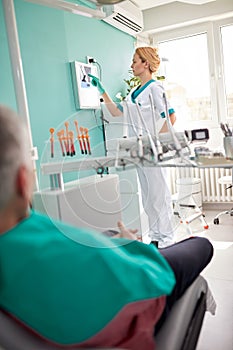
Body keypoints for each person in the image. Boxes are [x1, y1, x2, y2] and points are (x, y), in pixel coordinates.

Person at [0, 104, 213, 350]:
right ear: (22, 180)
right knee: (200, 244)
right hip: (140, 286)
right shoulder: (38, 247)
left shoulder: (22, 244)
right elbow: (145, 279)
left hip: (97, 273)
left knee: (109, 234)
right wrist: (132, 248)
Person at [89, 46, 177, 248]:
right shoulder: (133, 93)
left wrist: (157, 144)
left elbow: (170, 116)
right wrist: (102, 91)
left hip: (152, 150)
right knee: (147, 196)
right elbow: (116, 112)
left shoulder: (155, 88)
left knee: (159, 196)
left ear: (146, 63)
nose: (132, 65)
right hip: (139, 150)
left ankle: (167, 240)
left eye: (135, 60)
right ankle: (155, 238)